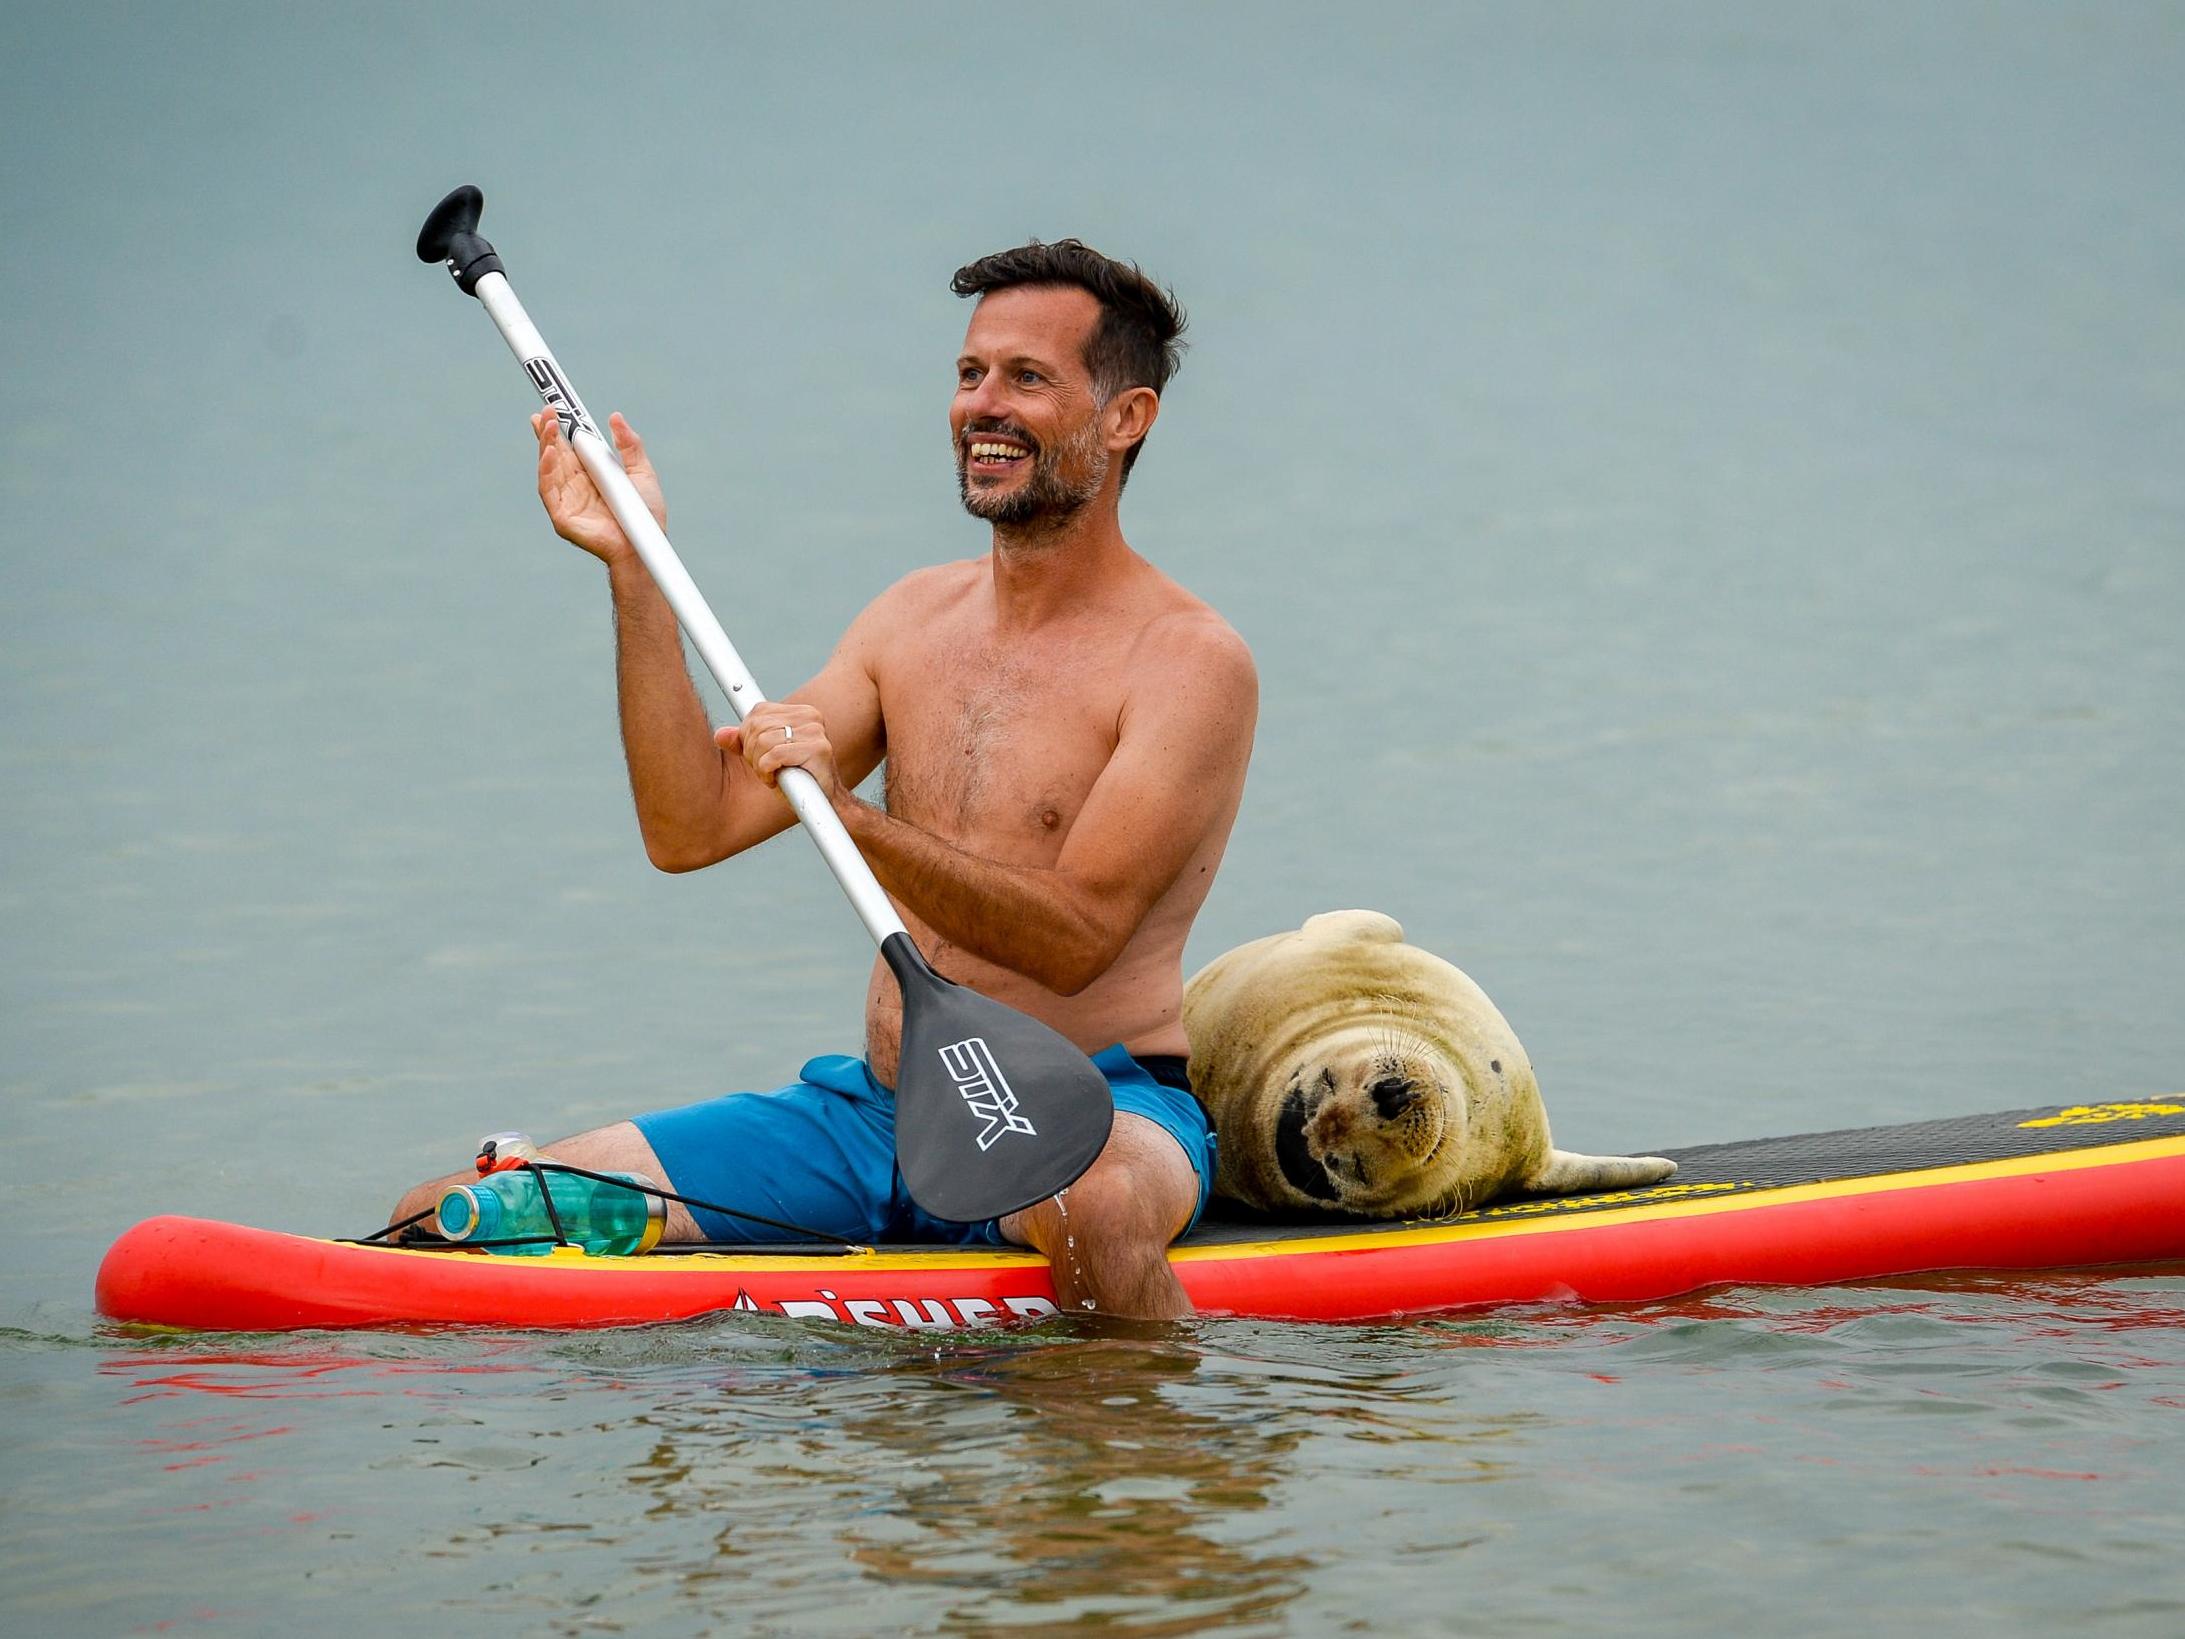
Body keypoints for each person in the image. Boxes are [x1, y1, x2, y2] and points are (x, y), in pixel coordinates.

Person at [392, 241, 1257, 1320]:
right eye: (969, 374)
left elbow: (1076, 936)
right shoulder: (909, 620)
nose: (982, 406)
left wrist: (848, 816)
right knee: (462, 1216)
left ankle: (1116, 1473)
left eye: (1027, 378)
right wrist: (635, 571)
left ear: (1124, 417)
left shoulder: (1186, 661)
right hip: (875, 1117)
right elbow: (689, 826)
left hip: (1092, 1109)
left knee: (1099, 1211)